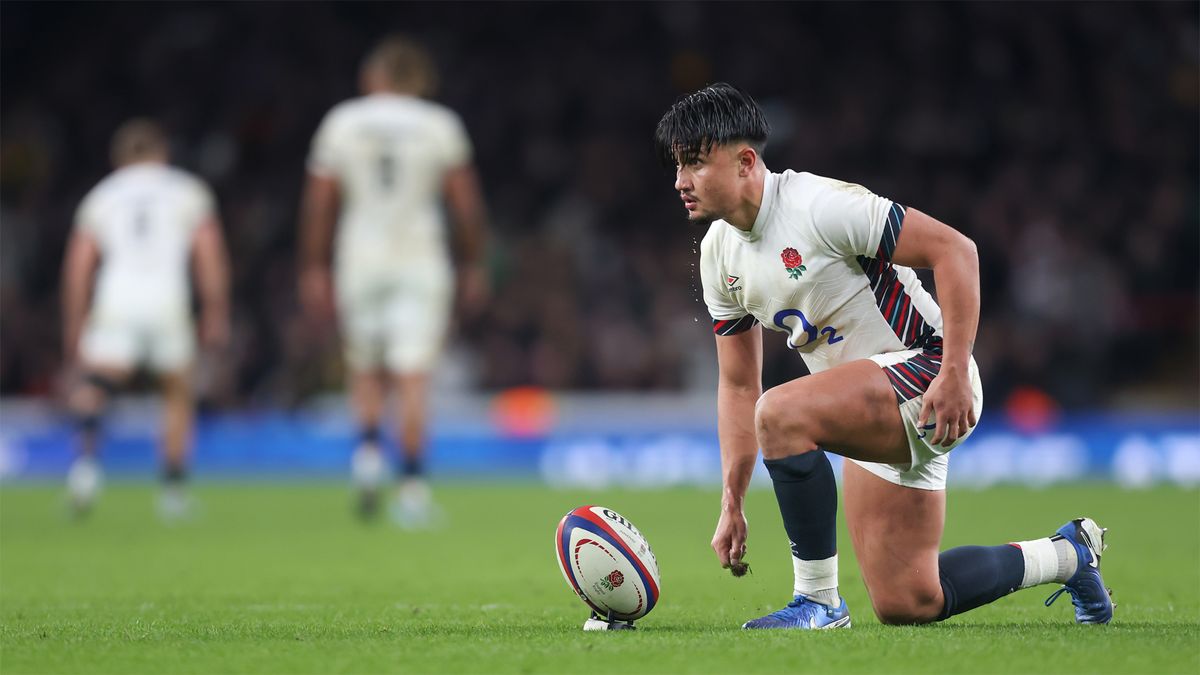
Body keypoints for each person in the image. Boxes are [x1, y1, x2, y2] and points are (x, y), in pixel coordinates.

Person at [655, 83, 1113, 628]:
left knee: (781, 415)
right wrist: (732, 499)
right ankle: (1067, 555)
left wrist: (954, 374)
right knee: (909, 600)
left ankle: (818, 603)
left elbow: (955, 250)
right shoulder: (717, 253)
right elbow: (735, 385)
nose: (680, 181)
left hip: (930, 375)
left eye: (695, 164)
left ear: (746, 161)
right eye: (678, 166)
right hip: (873, 405)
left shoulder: (819, 206)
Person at [299, 35, 489, 525]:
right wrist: (472, 263)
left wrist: (314, 266)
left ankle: (366, 458)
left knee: (364, 367)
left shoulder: (342, 122)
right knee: (412, 375)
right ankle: (411, 489)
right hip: (419, 258)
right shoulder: (439, 125)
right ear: (420, 80)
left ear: (373, 77)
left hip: (359, 256)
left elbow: (320, 202)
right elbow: (465, 206)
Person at [61, 118, 230, 519]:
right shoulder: (186, 191)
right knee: (175, 394)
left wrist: (75, 321)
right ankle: (172, 494)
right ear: (162, 153)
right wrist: (215, 311)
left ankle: (84, 471)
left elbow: (79, 266)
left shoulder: (103, 196)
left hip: (116, 302)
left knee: (94, 387)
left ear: (119, 157)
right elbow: (209, 256)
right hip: (166, 303)